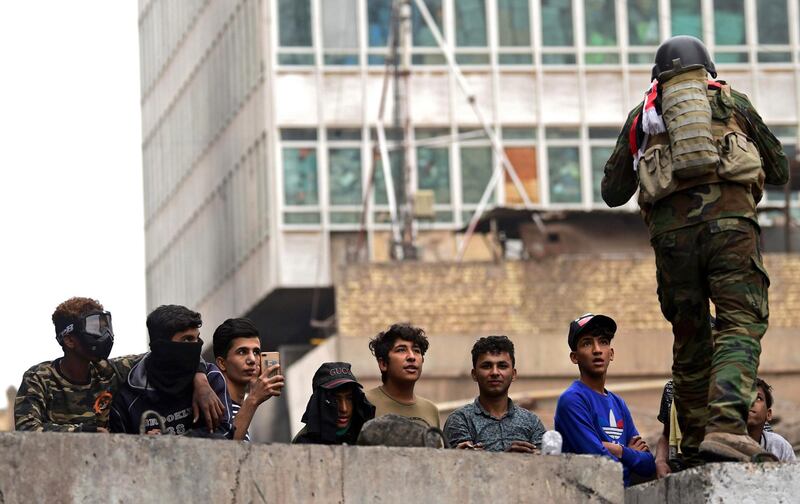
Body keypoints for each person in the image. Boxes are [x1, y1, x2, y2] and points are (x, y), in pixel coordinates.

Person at [602, 35, 787, 463]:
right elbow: (776, 166)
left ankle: (692, 446)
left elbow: (612, 191)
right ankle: (726, 427)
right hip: (731, 231)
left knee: (690, 338)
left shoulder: (643, 115)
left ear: (657, 76)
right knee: (740, 321)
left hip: (671, 242)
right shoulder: (731, 101)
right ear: (708, 68)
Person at [15, 297, 222, 433]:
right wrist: (83, 433)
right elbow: (27, 429)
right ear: (69, 340)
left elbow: (170, 354)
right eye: (95, 328)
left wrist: (201, 381)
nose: (104, 334)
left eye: (106, 325)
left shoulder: (110, 371)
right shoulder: (39, 378)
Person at [555, 313, 655, 487]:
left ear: (611, 353)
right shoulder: (572, 400)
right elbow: (600, 467)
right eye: (587, 343)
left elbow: (648, 466)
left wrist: (617, 450)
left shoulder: (618, 403)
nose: (597, 350)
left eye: (603, 342)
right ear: (574, 357)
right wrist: (630, 455)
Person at [109, 305, 232, 437]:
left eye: (197, 338)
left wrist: (172, 443)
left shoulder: (210, 378)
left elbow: (225, 432)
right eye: (187, 339)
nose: (196, 346)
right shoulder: (127, 399)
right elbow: (119, 451)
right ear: (163, 347)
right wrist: (143, 444)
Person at [444, 335, 545, 453]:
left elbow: (546, 465)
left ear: (513, 374)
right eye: (486, 366)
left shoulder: (531, 422)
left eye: (502, 366)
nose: (495, 372)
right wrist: (511, 459)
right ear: (474, 374)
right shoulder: (460, 420)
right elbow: (461, 466)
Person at [212, 318, 285, 441]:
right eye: (242, 352)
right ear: (222, 363)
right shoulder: (215, 407)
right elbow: (223, 452)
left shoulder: (242, 411)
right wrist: (253, 399)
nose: (252, 359)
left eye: (256, 352)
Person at [365, 323, 440, 428]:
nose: (412, 357)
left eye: (416, 351)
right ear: (383, 364)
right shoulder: (364, 402)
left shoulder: (431, 410)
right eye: (401, 350)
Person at [292, 362, 375, 444]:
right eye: (335, 400)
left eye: (349, 398)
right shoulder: (304, 442)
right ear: (319, 402)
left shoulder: (367, 436)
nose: (344, 408)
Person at [747, 378, 796, 462]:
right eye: (745, 397)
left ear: (768, 414)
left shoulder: (780, 446)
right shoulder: (720, 443)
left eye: (758, 398)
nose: (750, 402)